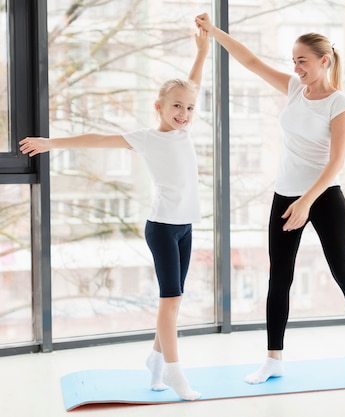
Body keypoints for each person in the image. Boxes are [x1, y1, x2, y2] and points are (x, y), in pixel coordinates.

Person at [19, 25, 210, 402]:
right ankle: (174, 373)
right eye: (176, 106)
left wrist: (202, 51)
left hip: (185, 226)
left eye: (189, 107)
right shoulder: (147, 138)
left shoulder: (183, 132)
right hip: (162, 228)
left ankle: (154, 362)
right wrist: (50, 142)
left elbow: (192, 84)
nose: (184, 113)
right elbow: (95, 139)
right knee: (169, 301)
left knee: (175, 298)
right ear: (159, 107)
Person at [194, 13, 345, 384]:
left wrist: (306, 202)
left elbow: (336, 164)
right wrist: (214, 32)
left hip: (325, 196)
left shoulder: (339, 103)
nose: (296, 66)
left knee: (341, 270)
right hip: (285, 193)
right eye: (293, 59)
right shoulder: (295, 89)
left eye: (302, 60)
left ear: (323, 61)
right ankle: (273, 360)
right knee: (279, 278)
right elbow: (250, 61)